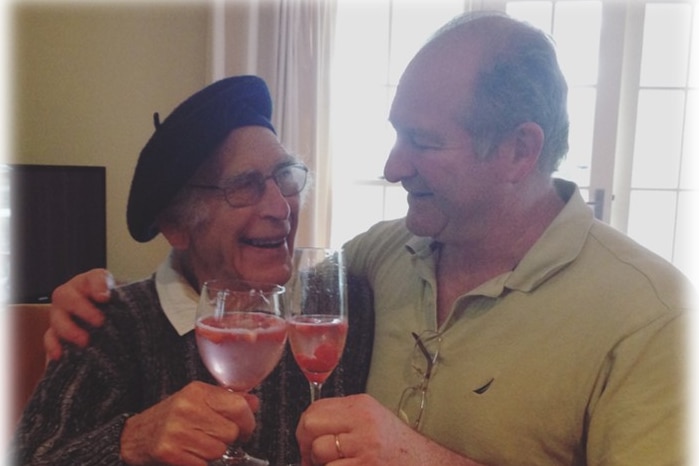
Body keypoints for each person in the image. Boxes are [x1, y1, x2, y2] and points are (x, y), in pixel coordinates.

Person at [41, 11, 692, 466]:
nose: (392, 167)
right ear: (177, 224)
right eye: (244, 185)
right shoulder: (377, 262)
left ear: (520, 150)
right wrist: (104, 308)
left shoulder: (652, 313)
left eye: (423, 141)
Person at [14, 75, 374, 466]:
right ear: (177, 226)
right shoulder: (106, 323)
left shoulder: (343, 304)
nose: (281, 207)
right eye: (245, 186)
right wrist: (129, 442)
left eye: (284, 176)